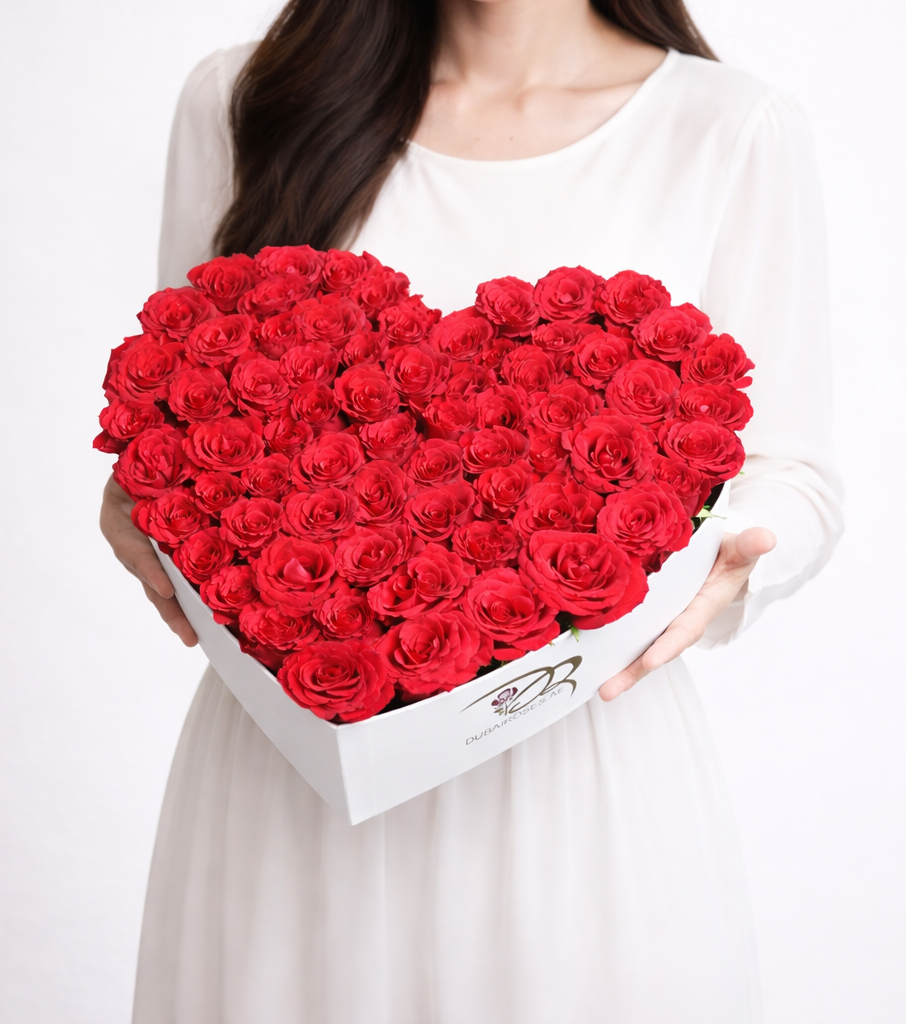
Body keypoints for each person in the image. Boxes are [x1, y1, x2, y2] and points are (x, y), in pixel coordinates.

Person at [100, 1, 843, 1020]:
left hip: (577, 767)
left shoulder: (729, 125)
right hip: (291, 775)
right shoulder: (246, 98)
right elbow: (179, 394)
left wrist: (733, 560)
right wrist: (143, 498)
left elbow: (791, 470)